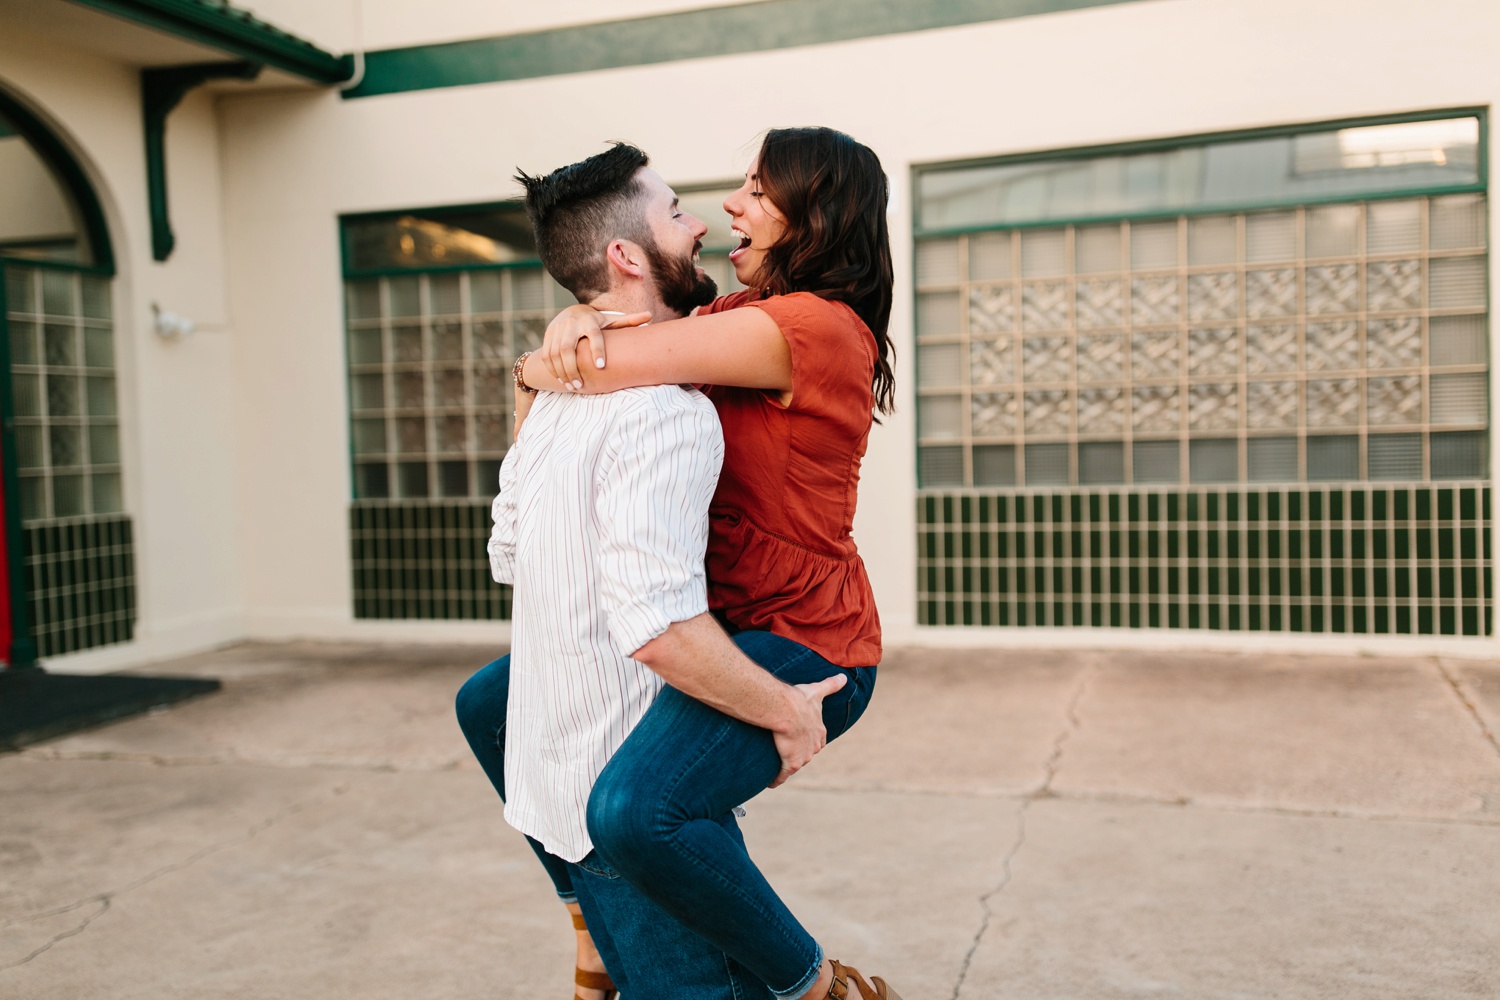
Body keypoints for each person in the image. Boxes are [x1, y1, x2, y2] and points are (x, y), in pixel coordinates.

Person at [458, 141, 854, 1000]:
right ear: (629, 255)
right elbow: (649, 621)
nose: (713, 214)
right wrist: (566, 342)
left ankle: (814, 983)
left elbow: (512, 555)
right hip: (664, 677)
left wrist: (552, 357)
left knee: (633, 810)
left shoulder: (791, 328)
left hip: (799, 634)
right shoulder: (666, 393)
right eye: (679, 212)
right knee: (496, 704)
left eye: (755, 191)